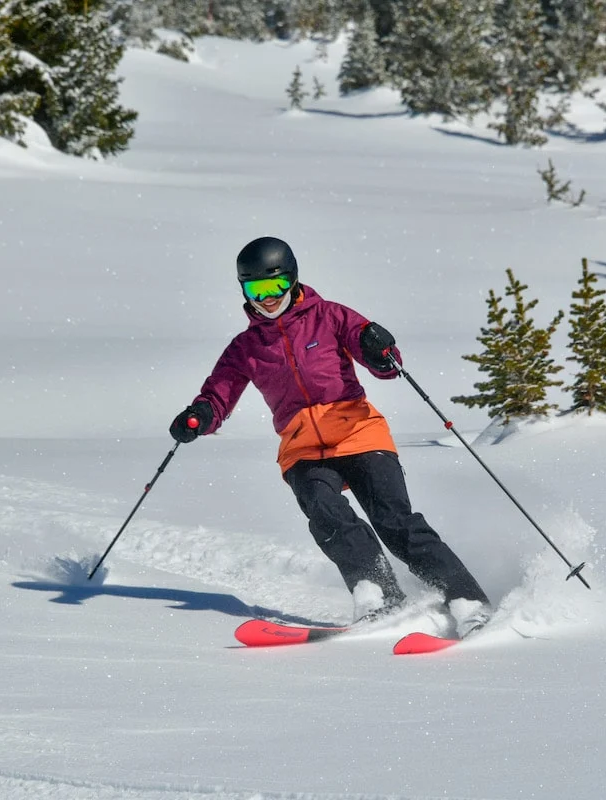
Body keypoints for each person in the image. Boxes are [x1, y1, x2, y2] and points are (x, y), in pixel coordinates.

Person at [169, 236, 492, 638]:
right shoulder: (245, 347)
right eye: (256, 290)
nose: (268, 299)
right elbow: (219, 393)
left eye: (275, 287)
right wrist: (201, 415)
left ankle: (469, 602)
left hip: (357, 431)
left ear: (293, 279)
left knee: (396, 522)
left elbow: (382, 361)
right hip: (302, 447)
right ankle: (379, 596)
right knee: (328, 515)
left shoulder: (331, 316)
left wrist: (380, 349)